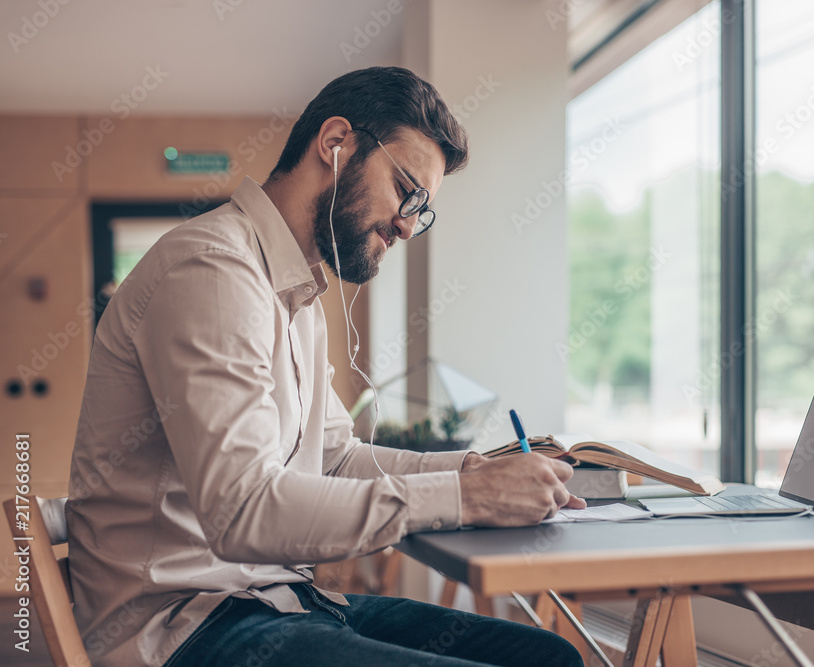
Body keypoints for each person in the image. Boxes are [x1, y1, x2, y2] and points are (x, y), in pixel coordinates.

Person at [66, 66, 586, 667]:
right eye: (407, 192)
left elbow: (336, 459)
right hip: (184, 628)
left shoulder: (297, 296)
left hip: (275, 601)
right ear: (336, 143)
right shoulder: (211, 271)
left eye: (422, 210)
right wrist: (465, 498)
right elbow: (243, 511)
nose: (407, 226)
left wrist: (471, 470)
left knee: (547, 657)